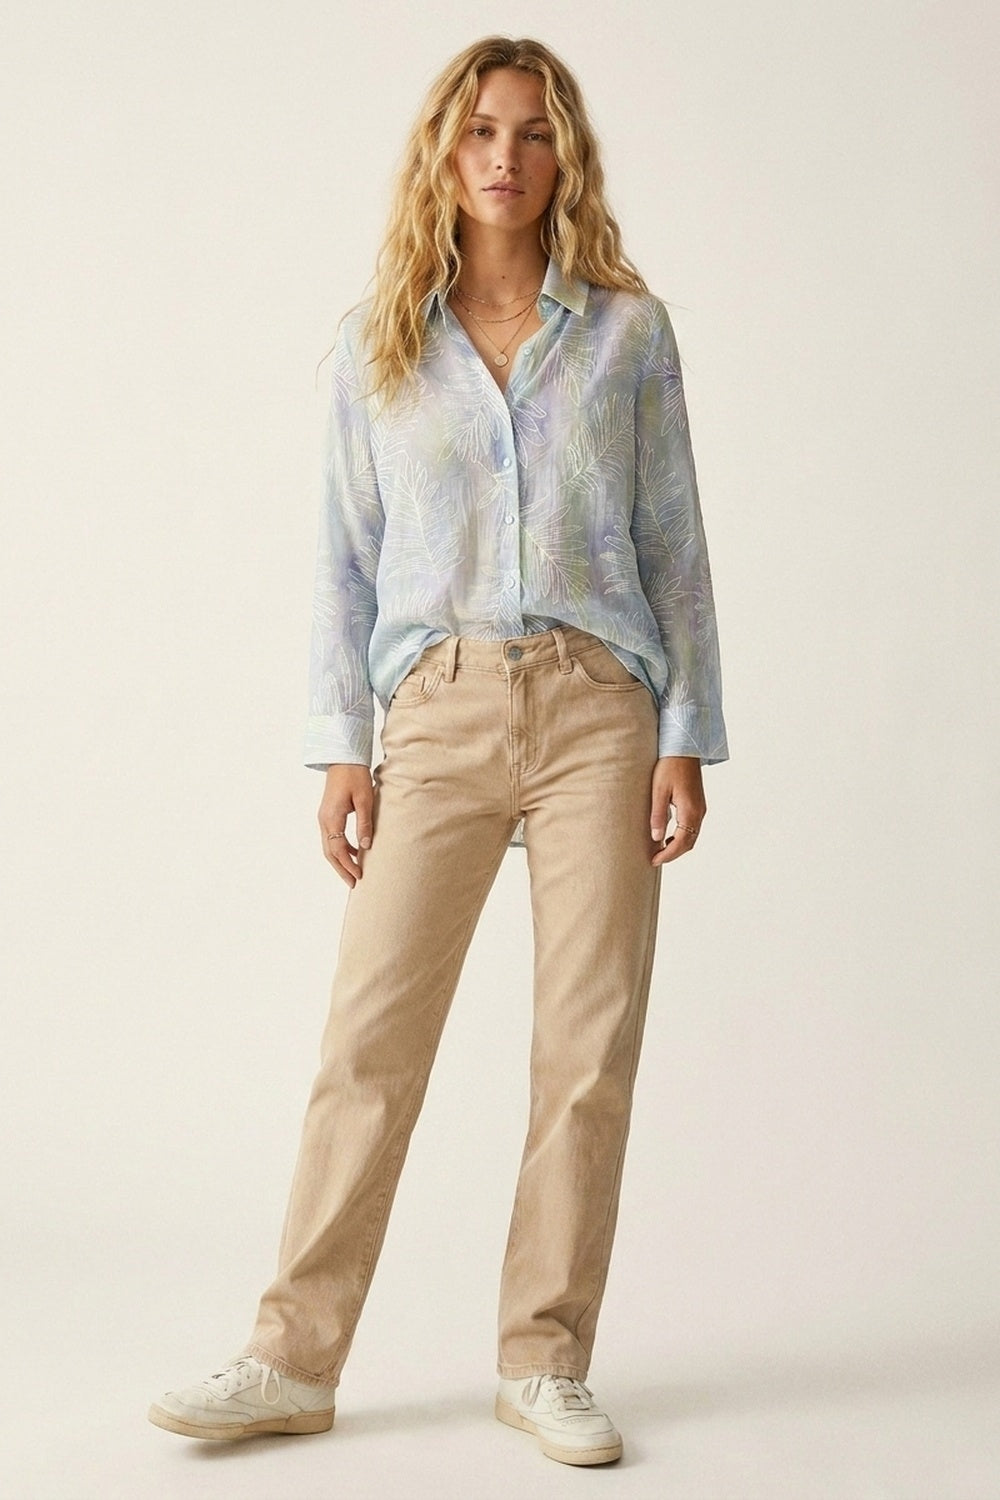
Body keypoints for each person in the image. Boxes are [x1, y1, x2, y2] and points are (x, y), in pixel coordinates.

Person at [148, 33, 728, 1468]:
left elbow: (675, 545)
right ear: (443, 153)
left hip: (600, 707)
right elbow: (346, 562)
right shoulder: (380, 341)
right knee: (370, 1041)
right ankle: (291, 1359)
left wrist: (686, 735)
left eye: (531, 132)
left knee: (585, 1051)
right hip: (439, 707)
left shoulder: (630, 336)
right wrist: (342, 747)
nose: (504, 157)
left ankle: (545, 1361)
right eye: (479, 130)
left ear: (564, 156)